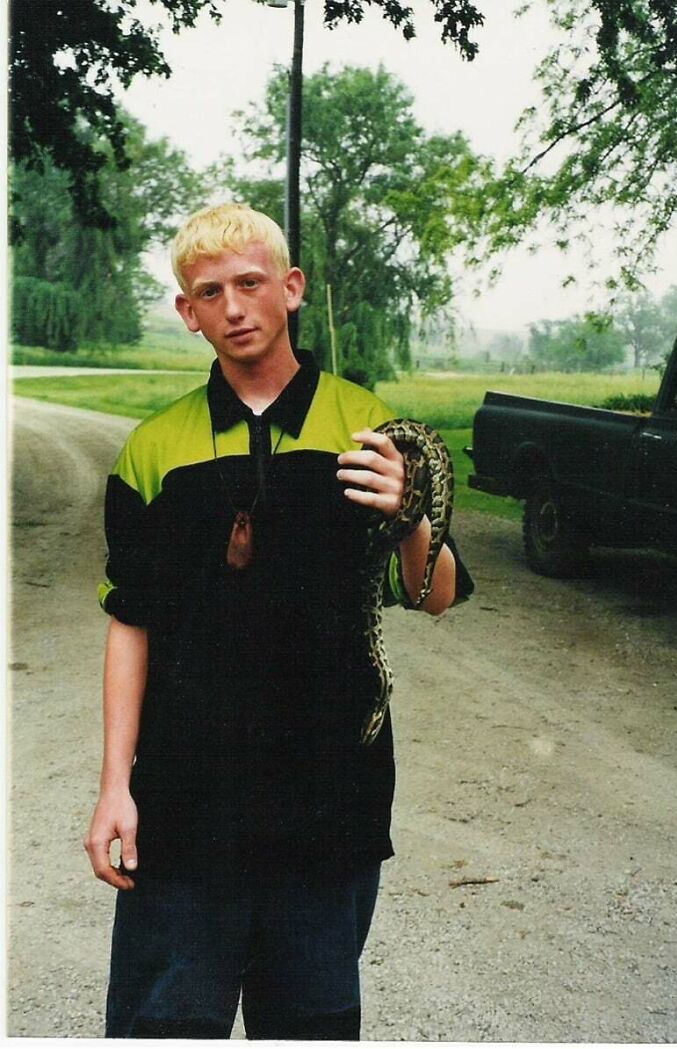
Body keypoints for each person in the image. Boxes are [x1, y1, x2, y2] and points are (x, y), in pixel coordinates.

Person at [84, 202, 473, 1040]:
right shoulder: (155, 448)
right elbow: (131, 621)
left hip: (330, 799)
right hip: (184, 803)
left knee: (309, 1026)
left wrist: (410, 515)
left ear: (291, 289)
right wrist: (115, 783)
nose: (234, 306)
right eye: (210, 291)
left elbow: (434, 592)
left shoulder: (365, 425)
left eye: (252, 283)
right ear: (188, 313)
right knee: (163, 1025)